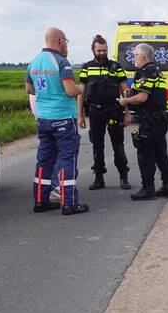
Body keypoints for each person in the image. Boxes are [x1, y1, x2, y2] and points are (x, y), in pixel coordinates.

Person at [25, 27, 88, 215]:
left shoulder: (33, 63)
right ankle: (69, 203)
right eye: (66, 41)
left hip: (43, 118)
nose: (66, 44)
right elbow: (70, 90)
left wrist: (47, 93)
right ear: (60, 40)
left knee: (44, 161)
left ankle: (40, 200)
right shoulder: (62, 62)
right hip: (62, 118)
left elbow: (30, 89)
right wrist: (80, 89)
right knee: (68, 159)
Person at [118, 43, 168, 200]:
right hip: (158, 118)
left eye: (135, 55)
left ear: (142, 56)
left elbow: (143, 97)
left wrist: (125, 101)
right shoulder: (154, 71)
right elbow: (141, 92)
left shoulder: (146, 71)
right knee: (160, 153)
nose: (133, 58)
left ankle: (148, 189)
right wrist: (131, 93)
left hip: (151, 120)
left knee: (145, 154)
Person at [78, 34, 131, 190]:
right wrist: (80, 115)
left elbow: (125, 92)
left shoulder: (116, 67)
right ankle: (99, 178)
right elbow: (81, 93)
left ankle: (123, 176)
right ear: (93, 50)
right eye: (99, 50)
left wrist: (127, 113)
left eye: (104, 50)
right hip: (95, 111)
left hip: (114, 111)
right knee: (97, 146)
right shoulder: (86, 67)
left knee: (118, 145)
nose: (102, 53)